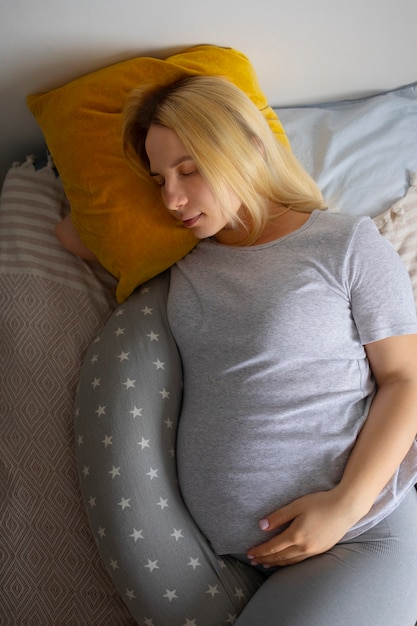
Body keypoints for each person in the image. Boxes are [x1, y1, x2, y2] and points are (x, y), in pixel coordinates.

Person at [76, 74, 417, 625]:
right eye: (158, 177)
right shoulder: (182, 260)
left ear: (250, 147)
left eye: (189, 170)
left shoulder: (344, 244)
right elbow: (78, 229)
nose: (171, 197)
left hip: (361, 533)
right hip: (235, 561)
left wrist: (343, 506)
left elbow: (407, 380)